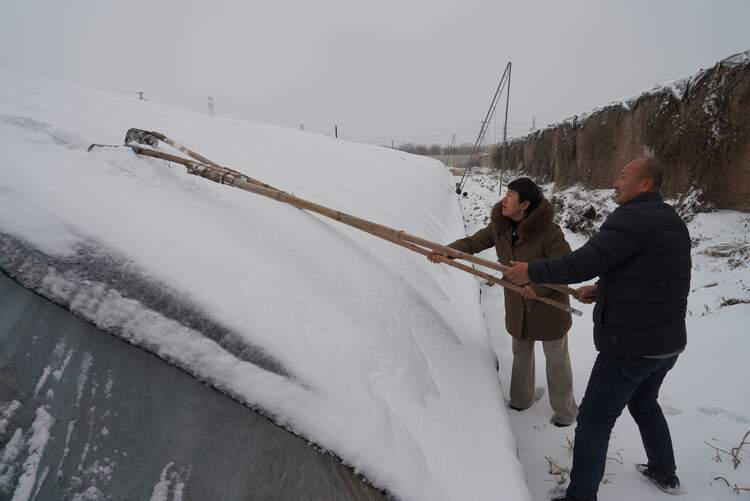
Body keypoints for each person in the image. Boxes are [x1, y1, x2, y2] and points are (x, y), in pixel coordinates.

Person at [503, 158, 690, 500]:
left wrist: (532, 271)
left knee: (593, 421)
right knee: (645, 404)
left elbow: (581, 263)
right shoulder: (672, 220)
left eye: (623, 175)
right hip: (667, 344)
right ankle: (664, 471)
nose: (616, 181)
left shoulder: (630, 218)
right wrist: (603, 289)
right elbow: (654, 276)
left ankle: (580, 496)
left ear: (646, 183)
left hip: (630, 346)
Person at [428, 177, 578, 427]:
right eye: (506, 193)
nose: (504, 199)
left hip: (548, 307)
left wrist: (537, 287)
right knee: (521, 353)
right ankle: (521, 400)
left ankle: (565, 412)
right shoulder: (500, 227)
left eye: (510, 195)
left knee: (556, 360)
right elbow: (472, 243)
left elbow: (564, 269)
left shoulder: (550, 233)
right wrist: (447, 251)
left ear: (525, 205)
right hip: (519, 306)